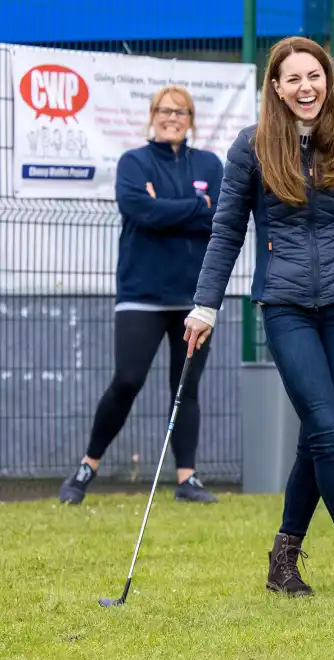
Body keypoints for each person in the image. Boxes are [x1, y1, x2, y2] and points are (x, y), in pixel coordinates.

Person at [183, 36, 334, 599]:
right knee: (327, 428)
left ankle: (283, 560)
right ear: (275, 88)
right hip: (285, 306)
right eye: (293, 78)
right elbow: (226, 231)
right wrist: (205, 306)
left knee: (315, 436)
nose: (306, 88)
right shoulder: (250, 148)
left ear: (328, 82)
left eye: (315, 76)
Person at [59, 86, 223, 506]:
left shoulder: (209, 163)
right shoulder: (134, 162)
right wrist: (194, 205)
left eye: (181, 111)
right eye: (166, 111)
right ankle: (87, 467)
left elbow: (220, 218)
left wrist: (172, 208)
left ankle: (187, 479)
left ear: (191, 118)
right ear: (153, 115)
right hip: (141, 295)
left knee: (185, 385)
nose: (173, 118)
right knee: (127, 381)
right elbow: (140, 212)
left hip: (194, 299)